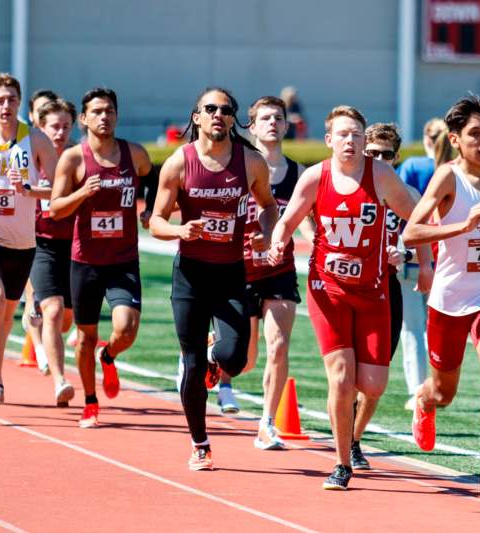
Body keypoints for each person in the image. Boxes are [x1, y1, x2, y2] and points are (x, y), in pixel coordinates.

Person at [268, 105, 430, 490]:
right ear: (329, 140)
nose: (351, 141)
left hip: (374, 290)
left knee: (372, 384)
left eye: (357, 135)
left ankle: (352, 434)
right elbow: (287, 222)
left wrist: (421, 263)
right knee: (340, 379)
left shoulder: (382, 177)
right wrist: (278, 243)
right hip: (329, 291)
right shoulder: (314, 177)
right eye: (343, 134)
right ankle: (341, 463)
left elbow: (419, 219)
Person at [403, 95, 480, 497]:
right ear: (456, 140)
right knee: (444, 392)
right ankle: (423, 400)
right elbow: (411, 232)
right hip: (450, 297)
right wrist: (458, 228)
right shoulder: (446, 178)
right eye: (475, 134)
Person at [150, 87, 278, 470]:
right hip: (190, 274)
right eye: (211, 109)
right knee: (190, 365)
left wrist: (267, 232)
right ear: (197, 117)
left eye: (226, 109)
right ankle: (200, 443)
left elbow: (269, 205)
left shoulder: (251, 162)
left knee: (235, 359)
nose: (218, 114)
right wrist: (179, 231)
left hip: (230, 273)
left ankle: (214, 355)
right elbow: (155, 221)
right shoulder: (179, 162)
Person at [50, 88, 151, 427]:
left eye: (109, 110)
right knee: (86, 335)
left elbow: (155, 179)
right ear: (84, 118)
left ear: (117, 115)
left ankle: (109, 356)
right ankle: (90, 401)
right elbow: (55, 208)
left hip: (123, 260)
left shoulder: (134, 154)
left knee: (126, 328)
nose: (103, 116)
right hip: (86, 261)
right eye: (96, 111)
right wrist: (82, 192)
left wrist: (150, 210)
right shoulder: (74, 159)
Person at [349, 122, 432, 470]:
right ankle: (345, 444)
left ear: (396, 157)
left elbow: (427, 236)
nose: (379, 159)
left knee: (373, 376)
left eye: (386, 154)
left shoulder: (408, 196)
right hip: (348, 287)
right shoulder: (347, 187)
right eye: (373, 153)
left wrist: (410, 258)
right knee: (343, 372)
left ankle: (354, 439)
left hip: (387, 289)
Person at [0, 72, 57, 406]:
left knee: (6, 314)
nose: (5, 106)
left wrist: (29, 190)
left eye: (11, 100)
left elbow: (59, 189)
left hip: (22, 242)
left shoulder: (36, 141)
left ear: (20, 103)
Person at [240, 95, 314, 447]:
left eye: (278, 118)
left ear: (287, 126)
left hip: (279, 270)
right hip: (238, 271)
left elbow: (308, 220)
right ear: (251, 126)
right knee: (244, 359)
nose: (272, 123)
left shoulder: (299, 174)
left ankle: (266, 423)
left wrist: (316, 243)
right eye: (265, 118)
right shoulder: (238, 168)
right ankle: (213, 350)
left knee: (279, 346)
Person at [396, 118, 452, 408]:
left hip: (415, 253)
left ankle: (418, 388)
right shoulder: (458, 171)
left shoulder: (415, 166)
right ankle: (439, 385)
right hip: (448, 257)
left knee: (413, 328)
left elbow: (402, 210)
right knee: (441, 327)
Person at [30, 98, 79, 405]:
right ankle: (60, 380)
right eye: (53, 127)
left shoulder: (79, 159)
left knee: (67, 318)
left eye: (66, 126)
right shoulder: (31, 158)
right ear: (41, 127)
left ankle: (38, 327)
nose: (60, 133)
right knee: (54, 310)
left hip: (76, 246)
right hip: (40, 243)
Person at [21, 89, 61, 375]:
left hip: (64, 237)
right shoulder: (27, 149)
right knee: (35, 298)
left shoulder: (72, 152)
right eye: (40, 111)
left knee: (60, 313)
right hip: (30, 236)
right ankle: (38, 347)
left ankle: (46, 340)